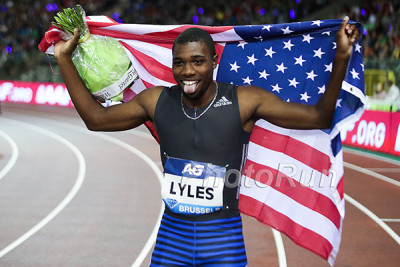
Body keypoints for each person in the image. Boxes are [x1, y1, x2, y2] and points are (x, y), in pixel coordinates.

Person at [54, 16, 359, 266]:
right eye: (179, 63)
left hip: (223, 242)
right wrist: (64, 58)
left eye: (197, 61)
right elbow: (96, 119)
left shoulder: (244, 101)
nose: (187, 71)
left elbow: (319, 117)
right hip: (172, 240)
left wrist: (342, 56)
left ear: (214, 62)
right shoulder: (156, 101)